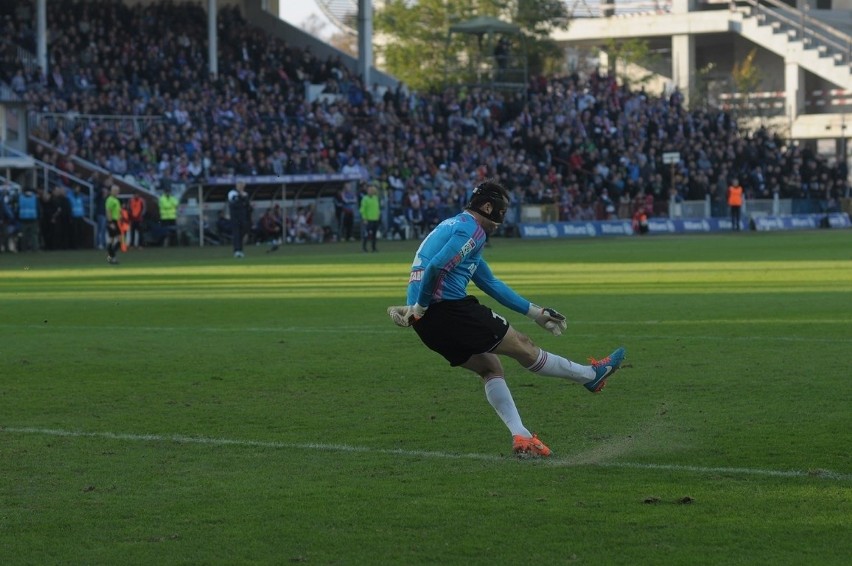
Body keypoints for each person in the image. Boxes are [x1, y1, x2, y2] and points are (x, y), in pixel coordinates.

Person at [387, 179, 626, 458]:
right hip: (446, 310)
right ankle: (590, 376)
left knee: (490, 367)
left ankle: (522, 437)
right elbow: (436, 267)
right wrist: (421, 307)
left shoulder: (454, 227)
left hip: (427, 325)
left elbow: (490, 283)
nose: (500, 222)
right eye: (501, 213)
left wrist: (536, 312)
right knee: (523, 346)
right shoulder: (472, 231)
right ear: (488, 207)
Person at [228, 181, 251, 258]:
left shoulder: (245, 194)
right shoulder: (232, 193)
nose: (242, 187)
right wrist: (242, 197)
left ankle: (240, 250)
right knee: (236, 234)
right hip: (235, 218)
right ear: (237, 185)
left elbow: (247, 206)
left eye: (243, 186)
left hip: (243, 218)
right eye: (240, 185)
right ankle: (236, 251)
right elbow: (235, 203)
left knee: (242, 235)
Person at [359, 184, 380, 252]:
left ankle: (373, 248)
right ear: (367, 191)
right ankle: (364, 248)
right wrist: (364, 218)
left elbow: (377, 208)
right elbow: (363, 209)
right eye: (369, 190)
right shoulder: (365, 199)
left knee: (374, 235)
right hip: (368, 220)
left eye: (372, 190)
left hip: (375, 219)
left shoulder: (375, 198)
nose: (371, 191)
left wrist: (378, 216)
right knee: (366, 234)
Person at [105, 185, 122, 264]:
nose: (117, 192)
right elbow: (109, 211)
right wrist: (110, 222)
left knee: (118, 240)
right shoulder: (110, 200)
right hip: (112, 221)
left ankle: (110, 257)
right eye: (115, 190)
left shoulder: (116, 200)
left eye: (117, 190)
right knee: (112, 240)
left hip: (116, 221)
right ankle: (112, 258)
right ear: (111, 191)